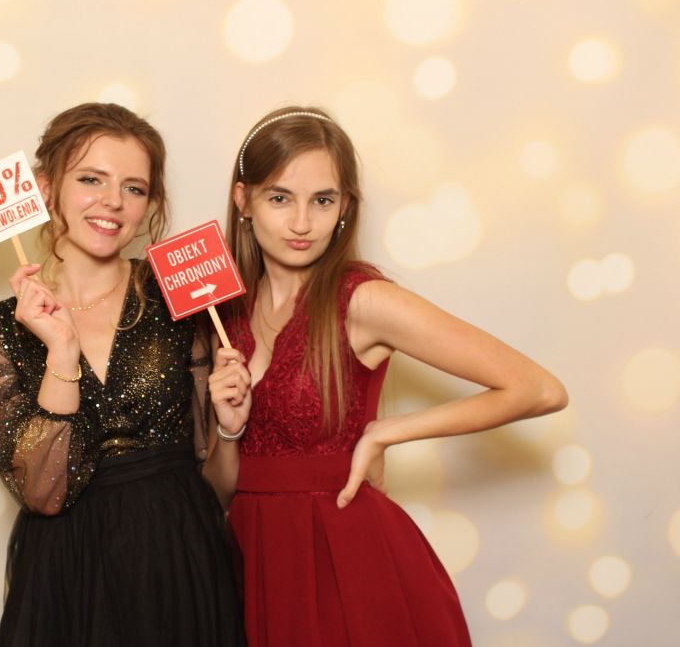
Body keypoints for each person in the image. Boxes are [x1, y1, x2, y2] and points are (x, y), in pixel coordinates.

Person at [203, 106, 568, 646]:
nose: (302, 222)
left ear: (345, 207)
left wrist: (386, 431)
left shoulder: (363, 300)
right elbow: (222, 490)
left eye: (322, 200)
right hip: (253, 562)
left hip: (347, 560)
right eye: (280, 198)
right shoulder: (226, 315)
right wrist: (229, 428)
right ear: (244, 200)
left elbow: (538, 389)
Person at [0, 103, 244, 647]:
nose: (113, 201)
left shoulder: (179, 299)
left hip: (178, 564)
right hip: (68, 575)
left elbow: (215, 487)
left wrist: (231, 428)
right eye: (91, 179)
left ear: (149, 204)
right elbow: (43, 492)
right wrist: (61, 349)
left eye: (134, 188)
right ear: (46, 188)